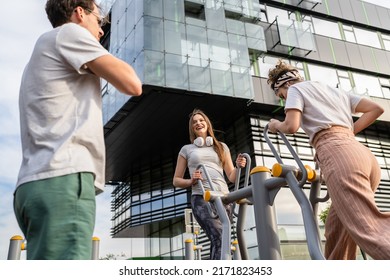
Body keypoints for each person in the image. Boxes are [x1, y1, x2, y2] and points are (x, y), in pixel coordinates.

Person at [14, 0, 142, 260]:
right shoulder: (70, 33)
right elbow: (132, 83)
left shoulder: (42, 51)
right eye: (99, 20)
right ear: (79, 13)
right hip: (63, 178)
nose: (102, 30)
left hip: (36, 183)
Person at [266, 59, 390, 260]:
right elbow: (376, 109)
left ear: (285, 85)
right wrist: (347, 132)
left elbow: (291, 126)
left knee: (371, 230)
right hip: (361, 155)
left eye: (281, 96)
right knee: (336, 231)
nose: (284, 99)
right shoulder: (335, 91)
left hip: (339, 155)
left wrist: (275, 125)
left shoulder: (295, 90)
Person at [173, 109, 246, 260]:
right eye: (194, 122)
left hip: (224, 198)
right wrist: (191, 180)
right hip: (202, 197)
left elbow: (232, 177)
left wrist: (239, 167)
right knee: (219, 236)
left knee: (222, 239)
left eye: (201, 120)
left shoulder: (221, 147)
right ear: (192, 128)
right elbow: (176, 180)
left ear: (207, 124)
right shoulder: (187, 150)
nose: (198, 123)